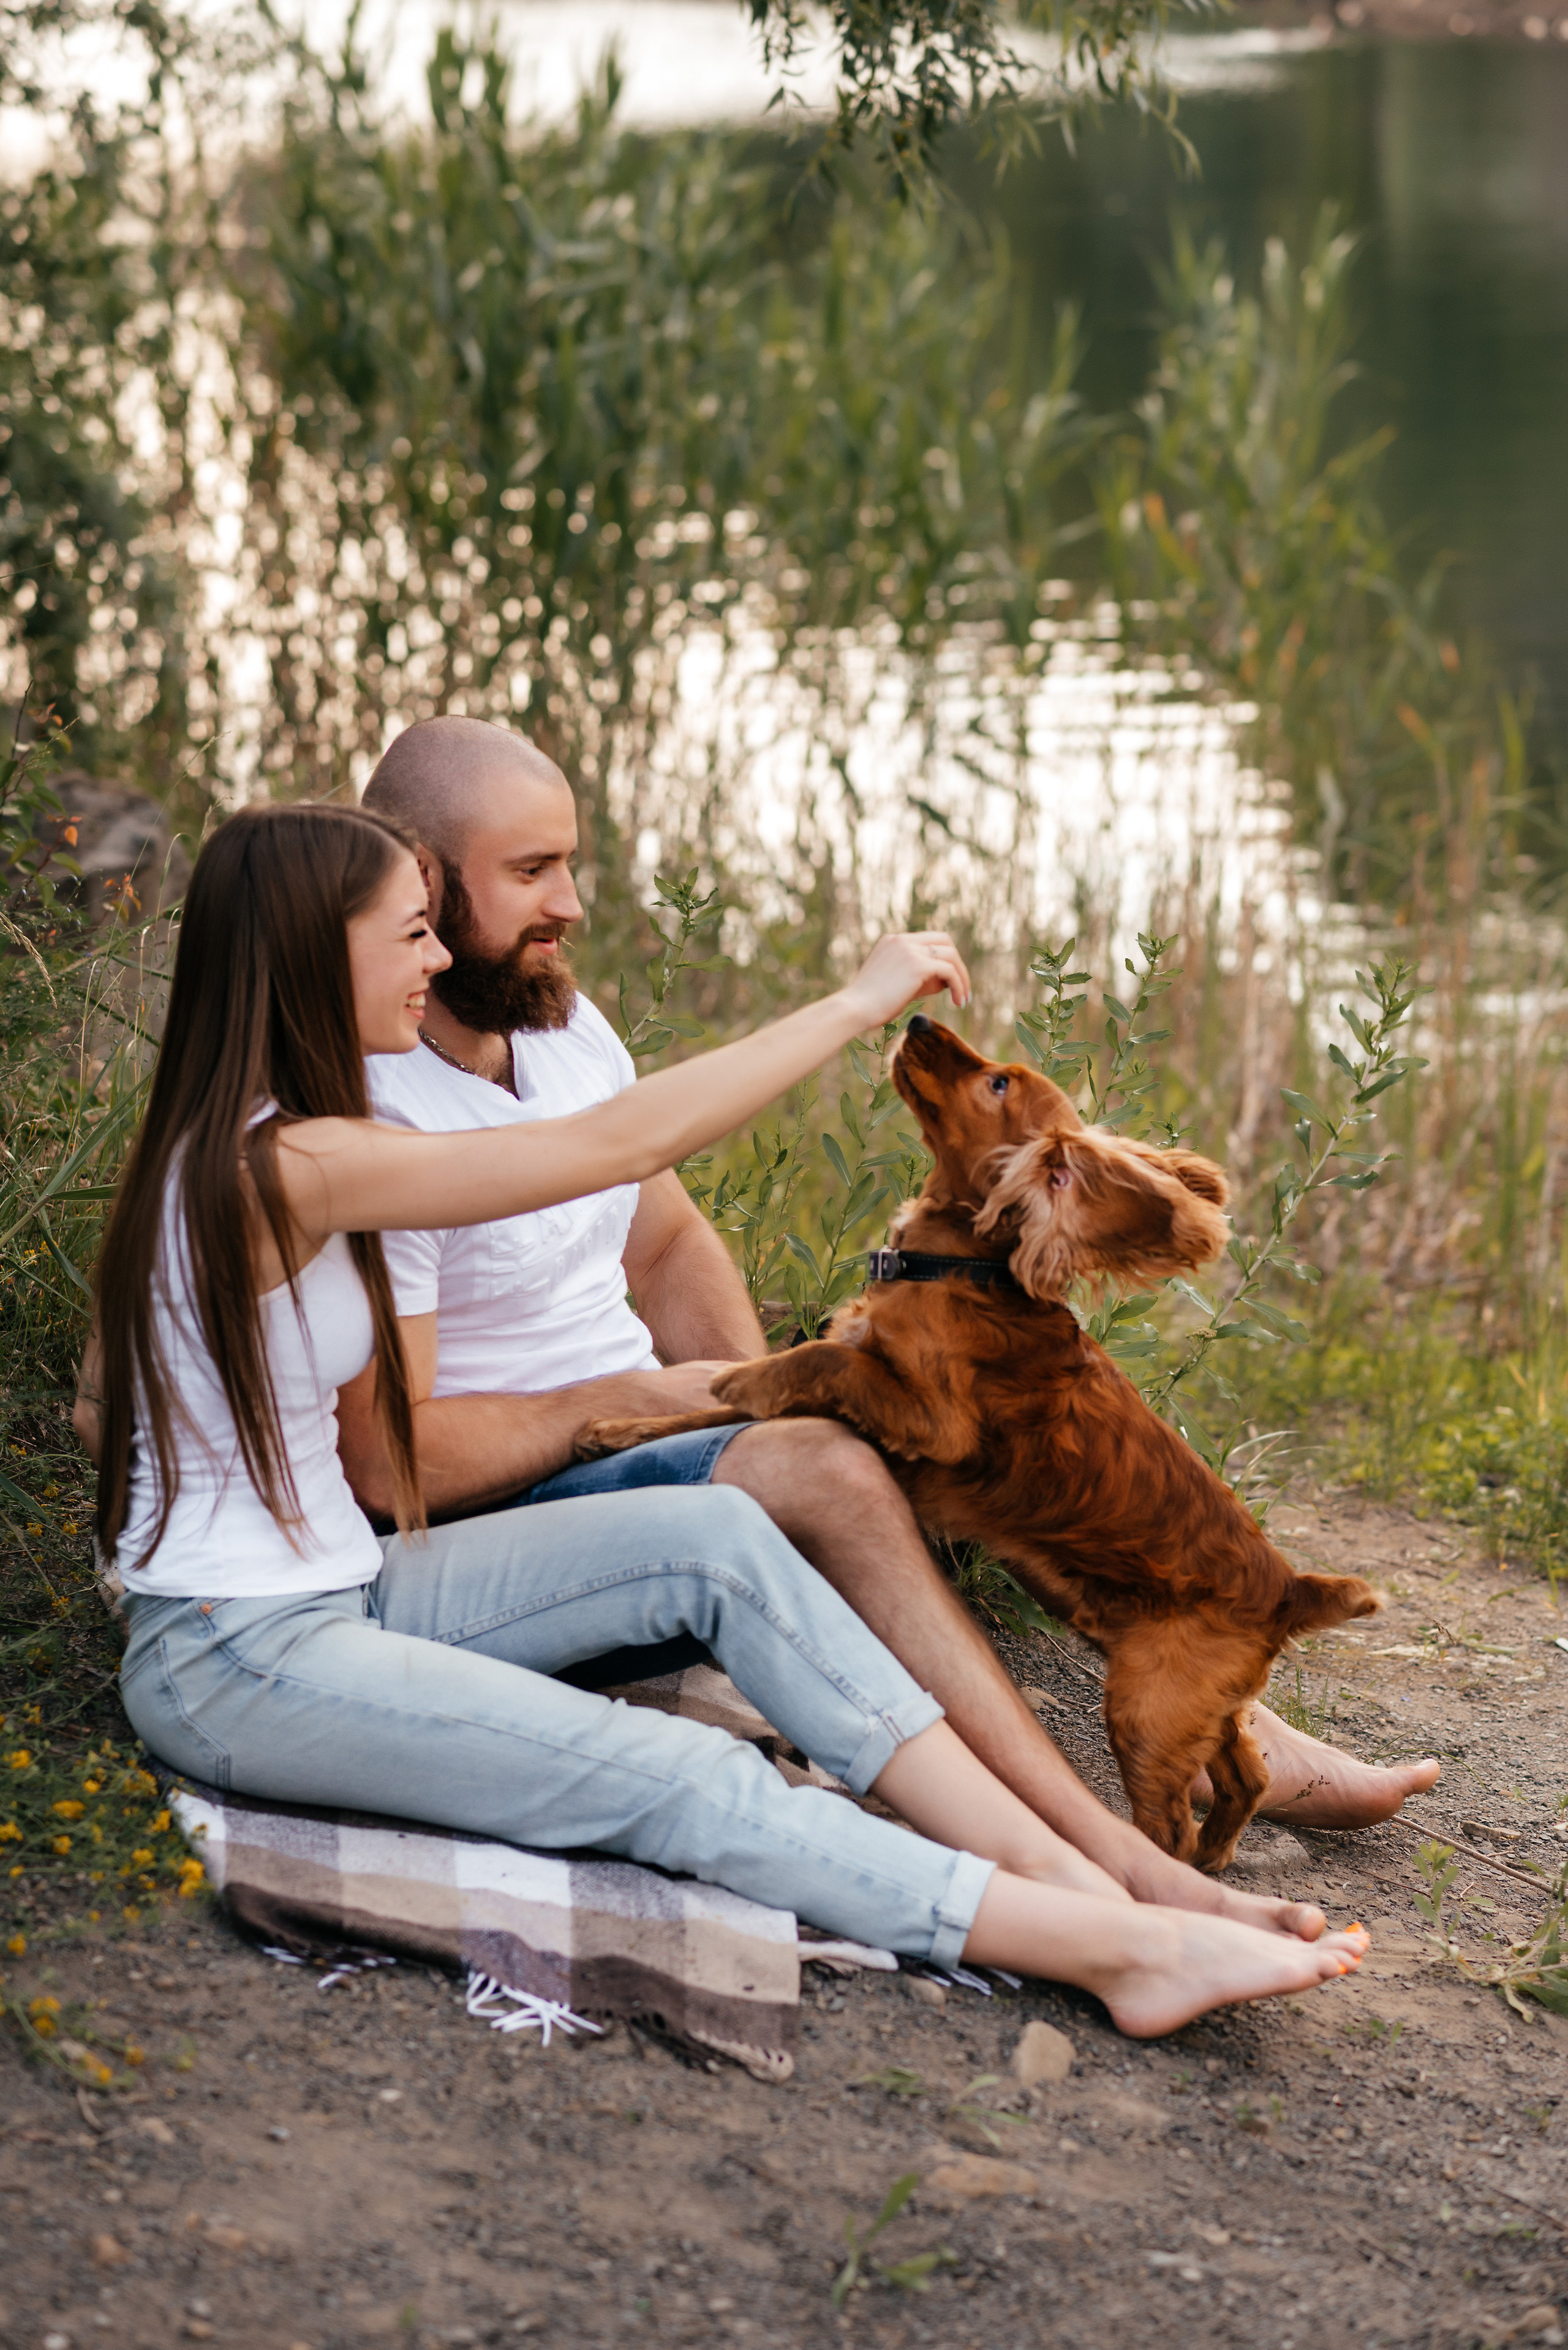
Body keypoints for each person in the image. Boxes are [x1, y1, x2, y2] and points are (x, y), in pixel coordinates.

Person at [76, 801, 1366, 2039]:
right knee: (685, 1780)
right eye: (407, 930)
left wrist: (188, 1482)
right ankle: (1119, 1950)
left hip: (344, 1587)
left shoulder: (254, 1138)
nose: (433, 954)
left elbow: (98, 1401)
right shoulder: (297, 1164)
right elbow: (622, 1142)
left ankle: (1094, 1877)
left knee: (716, 1540)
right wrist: (860, 1002)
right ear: (316, 951)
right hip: (238, 1657)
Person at [338, 719, 1438, 1894]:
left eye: (569, 863)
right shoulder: (363, 1107)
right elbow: (387, 1466)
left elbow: (663, 1243)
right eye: (531, 873)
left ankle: (1233, 1711)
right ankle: (1094, 1851)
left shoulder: (561, 1025)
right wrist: (663, 1411)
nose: (573, 904)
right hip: (514, 1506)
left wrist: (745, 1408)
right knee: (842, 1463)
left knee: (998, 1400)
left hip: (652, 1431)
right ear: (420, 874)